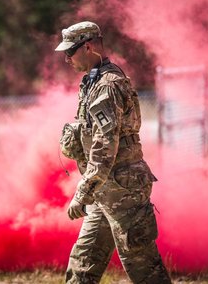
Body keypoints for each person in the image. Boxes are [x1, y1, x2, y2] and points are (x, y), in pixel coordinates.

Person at [56, 21, 172, 284]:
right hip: (104, 190)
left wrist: (82, 193)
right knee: (82, 265)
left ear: (88, 47)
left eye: (70, 52)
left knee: (144, 270)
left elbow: (104, 148)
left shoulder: (108, 85)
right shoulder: (92, 82)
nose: (66, 59)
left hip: (124, 191)